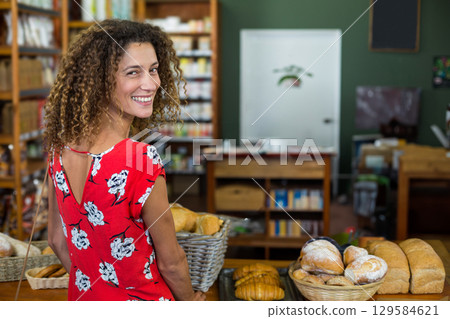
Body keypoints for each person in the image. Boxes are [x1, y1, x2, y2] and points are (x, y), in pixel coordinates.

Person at [44, 19, 205, 301]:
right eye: (133, 72)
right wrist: (190, 302)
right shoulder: (140, 158)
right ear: (100, 80)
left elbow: (57, 241)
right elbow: (172, 263)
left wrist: (97, 288)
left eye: (153, 70)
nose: (152, 83)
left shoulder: (59, 149)